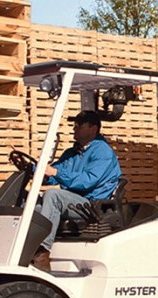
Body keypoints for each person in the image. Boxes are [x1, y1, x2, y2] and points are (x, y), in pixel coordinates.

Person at [30, 110, 121, 271]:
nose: (74, 129)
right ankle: (25, 248)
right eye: (74, 125)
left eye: (79, 126)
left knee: (52, 195)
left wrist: (56, 173)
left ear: (93, 128)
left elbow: (87, 182)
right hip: (72, 201)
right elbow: (55, 172)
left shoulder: (103, 152)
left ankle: (41, 251)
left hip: (89, 204)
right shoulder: (73, 152)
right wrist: (36, 170)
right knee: (32, 205)